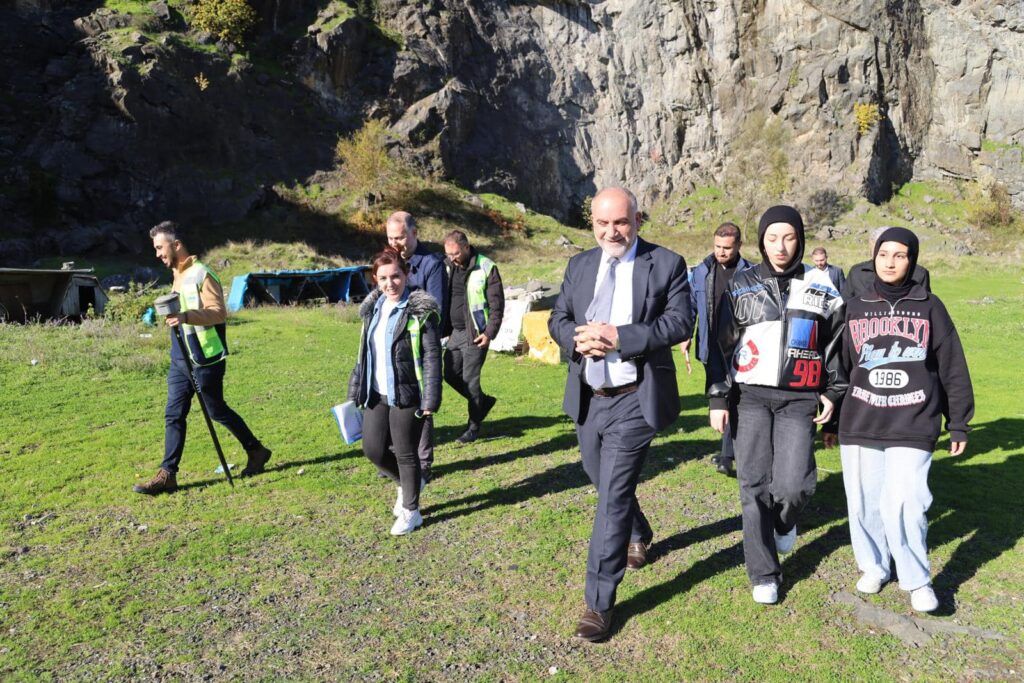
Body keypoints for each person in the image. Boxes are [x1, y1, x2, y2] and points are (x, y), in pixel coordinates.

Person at [549, 187, 693, 641]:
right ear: (591, 222)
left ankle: (598, 603)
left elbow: (680, 321)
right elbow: (557, 317)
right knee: (601, 478)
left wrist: (620, 337)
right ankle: (639, 530)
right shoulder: (579, 265)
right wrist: (574, 337)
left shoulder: (667, 264)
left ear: (637, 220)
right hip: (590, 397)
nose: (611, 232)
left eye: (621, 223)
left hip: (636, 395)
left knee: (610, 498)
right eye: (602, 223)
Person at [707, 205, 846, 605]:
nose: (780, 247)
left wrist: (833, 391)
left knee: (794, 484)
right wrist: (718, 396)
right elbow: (720, 346)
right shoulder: (742, 283)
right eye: (771, 238)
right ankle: (764, 573)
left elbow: (837, 345)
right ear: (761, 240)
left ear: (800, 239)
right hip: (750, 396)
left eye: (788, 237)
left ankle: (784, 522)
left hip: (799, 397)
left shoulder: (822, 286)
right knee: (752, 484)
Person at [836, 227, 973, 612]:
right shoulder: (857, 305)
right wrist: (832, 422)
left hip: (914, 420)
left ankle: (916, 580)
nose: (891, 262)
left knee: (907, 503)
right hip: (861, 421)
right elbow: (842, 368)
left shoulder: (930, 306)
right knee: (863, 503)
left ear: (911, 260)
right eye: (884, 255)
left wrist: (958, 421)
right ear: (873, 258)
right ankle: (874, 566)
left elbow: (953, 368)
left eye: (900, 255)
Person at [134, 221, 272, 495]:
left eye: (160, 247)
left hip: (205, 356)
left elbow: (218, 312)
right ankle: (167, 475)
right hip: (180, 355)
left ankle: (256, 451)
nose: (158, 254)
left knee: (215, 410)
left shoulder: (202, 273)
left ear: (176, 245)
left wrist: (185, 316)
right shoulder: (176, 275)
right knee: (174, 414)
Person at [348, 248, 442, 536]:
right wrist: (356, 387)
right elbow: (365, 354)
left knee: (406, 453)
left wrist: (430, 398)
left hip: (407, 394)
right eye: (384, 278)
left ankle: (411, 511)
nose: (391, 283)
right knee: (373, 450)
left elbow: (432, 356)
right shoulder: (373, 309)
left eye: (396, 276)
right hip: (377, 393)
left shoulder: (419, 311)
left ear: (407, 275)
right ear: (375, 279)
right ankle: (408, 483)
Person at [679, 222, 754, 476]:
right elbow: (690, 304)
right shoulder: (701, 270)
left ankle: (727, 455)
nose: (721, 252)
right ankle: (728, 452)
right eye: (718, 246)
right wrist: (686, 335)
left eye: (727, 248)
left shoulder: (751, 273)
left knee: (734, 397)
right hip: (709, 345)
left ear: (739, 246)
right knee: (720, 395)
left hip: (741, 347)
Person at [385, 211, 447, 482]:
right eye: (390, 238)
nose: (395, 243)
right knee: (390, 399)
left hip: (419, 345)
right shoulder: (388, 262)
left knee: (421, 404)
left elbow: (435, 309)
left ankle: (423, 464)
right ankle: (394, 456)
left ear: (414, 233)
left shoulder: (431, 264)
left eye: (400, 237)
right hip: (391, 344)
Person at [442, 230, 504, 443]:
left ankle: (473, 426)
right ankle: (483, 402)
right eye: (448, 254)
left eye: (456, 253)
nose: (452, 258)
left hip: (476, 334)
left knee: (470, 380)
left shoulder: (487, 267)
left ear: (467, 247)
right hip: (455, 333)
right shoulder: (448, 266)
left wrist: (489, 333)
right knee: (449, 374)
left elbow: (497, 306)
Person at [844, 227, 930, 299]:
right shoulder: (857, 273)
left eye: (898, 256)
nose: (889, 264)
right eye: (882, 254)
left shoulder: (919, 274)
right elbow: (845, 308)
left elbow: (924, 304)